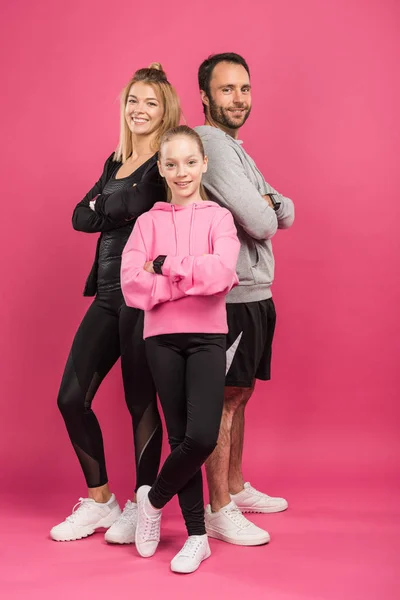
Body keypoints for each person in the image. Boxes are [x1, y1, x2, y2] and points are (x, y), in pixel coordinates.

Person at [50, 64, 181, 543]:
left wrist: (106, 205)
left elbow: (119, 209)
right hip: (106, 297)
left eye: (150, 102)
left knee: (140, 403)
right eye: (133, 101)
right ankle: (100, 500)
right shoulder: (115, 162)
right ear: (123, 108)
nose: (139, 110)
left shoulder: (163, 162)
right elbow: (77, 218)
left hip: (142, 299)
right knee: (70, 398)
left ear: (165, 110)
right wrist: (115, 202)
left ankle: (142, 503)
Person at [121, 125, 240, 573]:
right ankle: (196, 536)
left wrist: (167, 267)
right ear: (161, 168)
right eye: (171, 164)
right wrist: (186, 284)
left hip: (208, 336)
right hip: (161, 339)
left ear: (203, 163)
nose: (181, 171)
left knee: (201, 437)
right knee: (178, 436)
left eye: (190, 162)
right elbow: (132, 283)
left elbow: (221, 275)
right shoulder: (147, 222)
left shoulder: (219, 218)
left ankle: (152, 500)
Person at [195, 53, 295, 546]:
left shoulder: (236, 148)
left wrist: (267, 203)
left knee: (241, 394)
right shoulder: (210, 143)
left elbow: (284, 210)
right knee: (223, 401)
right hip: (232, 296)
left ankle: (234, 486)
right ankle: (218, 508)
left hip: (258, 292)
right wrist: (267, 204)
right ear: (206, 98)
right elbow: (262, 221)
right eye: (227, 89)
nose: (238, 98)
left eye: (244, 89)